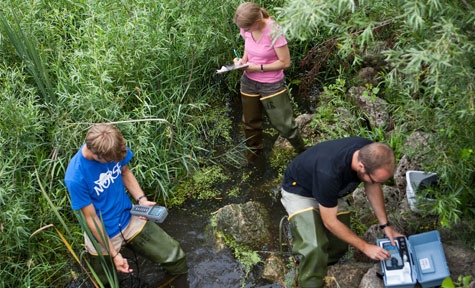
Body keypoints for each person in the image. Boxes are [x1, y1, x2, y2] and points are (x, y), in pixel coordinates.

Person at [64, 124, 188, 287]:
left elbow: (125, 172)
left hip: (128, 216)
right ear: (97, 155)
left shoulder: (113, 147)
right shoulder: (76, 177)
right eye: (111, 161)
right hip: (102, 233)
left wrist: (141, 199)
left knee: (175, 256)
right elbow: (91, 218)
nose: (116, 162)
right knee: (106, 282)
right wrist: (114, 254)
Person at [280, 136, 404, 287]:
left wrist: (385, 225)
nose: (377, 184)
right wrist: (365, 247)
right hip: (300, 189)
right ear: (361, 166)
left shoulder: (369, 151)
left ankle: (327, 267)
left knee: (339, 245)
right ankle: (309, 280)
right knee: (314, 248)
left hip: (330, 191)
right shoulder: (329, 173)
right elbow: (330, 222)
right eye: (374, 180)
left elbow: (372, 185)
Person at [233, 2, 306, 162]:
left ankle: (303, 152)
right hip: (248, 82)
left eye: (247, 28)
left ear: (257, 22)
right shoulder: (246, 28)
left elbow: (285, 63)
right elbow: (248, 45)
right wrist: (242, 61)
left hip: (272, 84)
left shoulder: (274, 31)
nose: (244, 31)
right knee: (250, 123)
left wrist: (257, 67)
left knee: (284, 124)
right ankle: (254, 155)